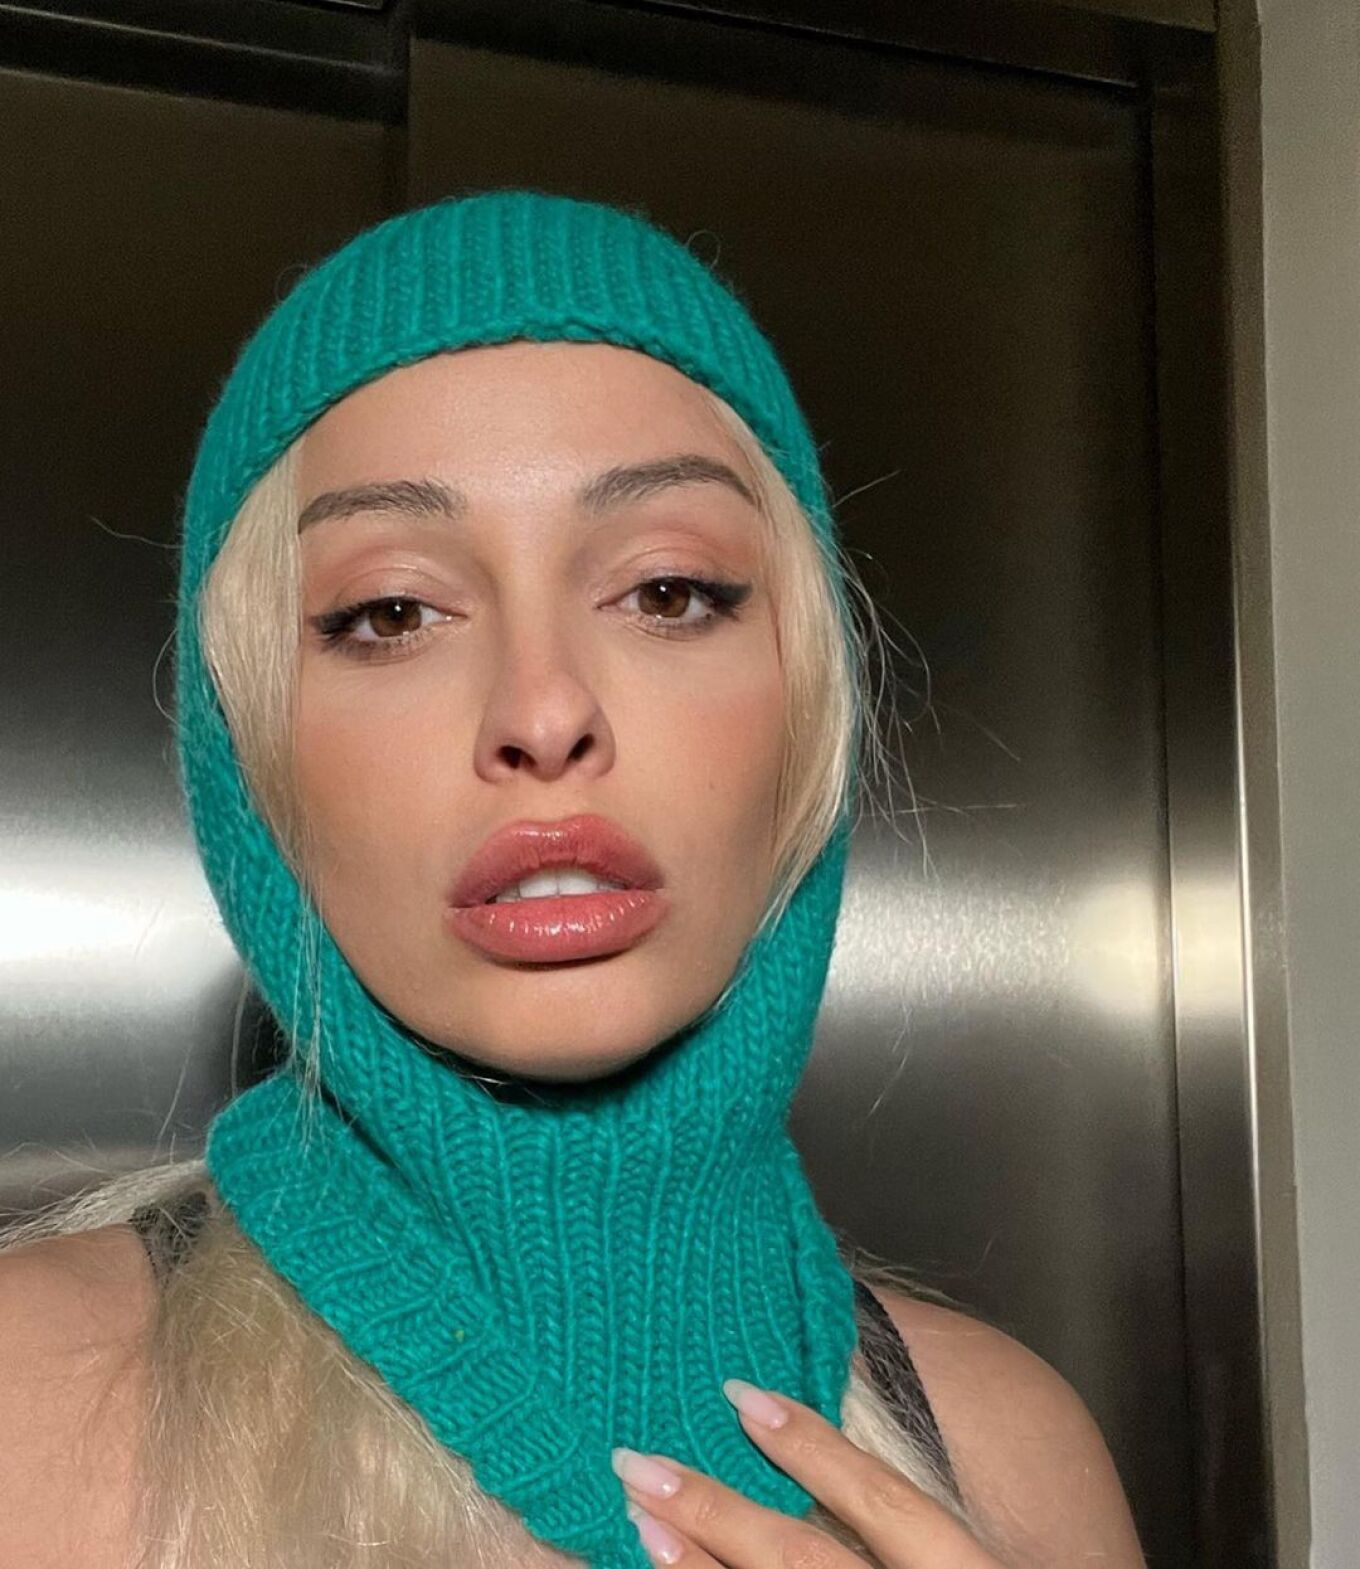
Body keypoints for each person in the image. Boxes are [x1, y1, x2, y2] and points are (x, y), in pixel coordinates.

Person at [0, 189, 1147, 1569]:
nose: (544, 712)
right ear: (245, 752)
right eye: (391, 612)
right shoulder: (30, 1403)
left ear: (806, 697)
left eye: (669, 590)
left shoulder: (1024, 1461)